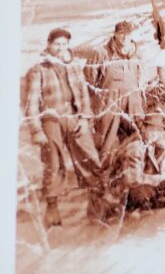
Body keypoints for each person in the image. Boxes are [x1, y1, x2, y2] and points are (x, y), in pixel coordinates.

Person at [25, 28, 111, 227]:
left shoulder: (73, 66)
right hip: (51, 120)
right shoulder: (39, 69)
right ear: (49, 44)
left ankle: (98, 204)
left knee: (88, 156)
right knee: (53, 162)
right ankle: (52, 210)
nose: (61, 48)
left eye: (64, 44)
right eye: (57, 44)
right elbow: (31, 103)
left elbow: (83, 95)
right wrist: (36, 130)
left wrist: (84, 118)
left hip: (73, 116)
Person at [86, 20, 147, 158]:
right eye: (121, 34)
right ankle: (105, 166)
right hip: (110, 102)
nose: (125, 37)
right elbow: (89, 80)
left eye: (128, 34)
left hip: (132, 102)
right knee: (107, 140)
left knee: (137, 135)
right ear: (115, 34)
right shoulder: (101, 53)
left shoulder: (137, 53)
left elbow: (141, 77)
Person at [107, 112, 165, 214]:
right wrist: (160, 178)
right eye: (152, 129)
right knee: (139, 192)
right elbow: (133, 179)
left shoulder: (151, 139)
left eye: (158, 130)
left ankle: (161, 197)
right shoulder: (135, 146)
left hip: (141, 178)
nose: (155, 134)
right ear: (144, 128)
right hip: (126, 186)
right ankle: (137, 206)